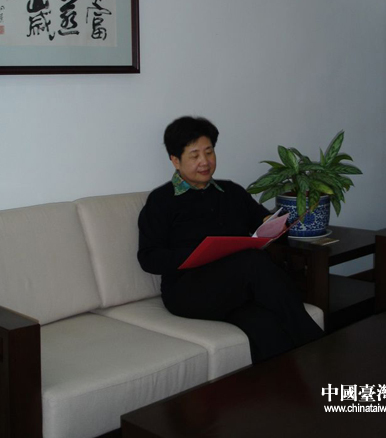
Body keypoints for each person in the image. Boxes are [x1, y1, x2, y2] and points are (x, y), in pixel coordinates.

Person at [137, 116, 323, 363]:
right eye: (194, 155)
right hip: (187, 291)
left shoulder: (231, 191)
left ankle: (288, 383)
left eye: (209, 152)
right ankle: (320, 348)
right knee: (253, 262)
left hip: (235, 286)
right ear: (175, 160)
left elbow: (263, 223)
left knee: (264, 325)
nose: (205, 162)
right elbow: (148, 258)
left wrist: (273, 223)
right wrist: (197, 253)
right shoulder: (161, 201)